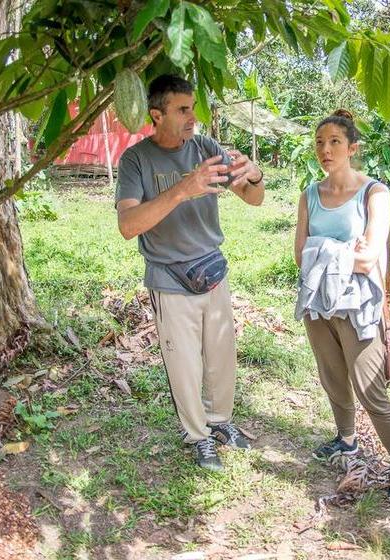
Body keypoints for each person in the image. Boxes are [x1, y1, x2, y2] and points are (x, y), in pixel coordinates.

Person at [115, 74, 265, 471]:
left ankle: (220, 422)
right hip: (169, 277)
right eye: (182, 110)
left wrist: (254, 175)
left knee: (221, 357)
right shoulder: (135, 160)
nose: (192, 118)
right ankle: (198, 437)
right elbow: (128, 226)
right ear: (156, 115)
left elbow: (253, 199)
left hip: (212, 270)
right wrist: (184, 189)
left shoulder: (205, 147)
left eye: (193, 108)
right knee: (184, 365)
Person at [294, 109, 390, 501]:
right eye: (319, 143)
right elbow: (299, 254)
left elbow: (369, 259)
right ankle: (346, 441)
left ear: (352, 148)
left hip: (359, 305)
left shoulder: (374, 193)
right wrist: (346, 249)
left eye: (334, 143)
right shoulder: (309, 195)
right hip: (317, 301)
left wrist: (324, 249)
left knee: (369, 388)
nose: (325, 150)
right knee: (332, 378)